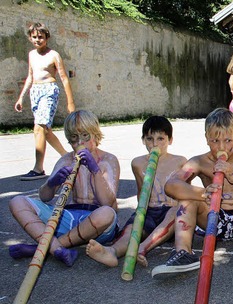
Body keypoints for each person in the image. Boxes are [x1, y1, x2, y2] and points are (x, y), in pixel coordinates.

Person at [151, 108, 233, 279]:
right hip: (213, 221)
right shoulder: (199, 161)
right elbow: (171, 185)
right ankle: (183, 253)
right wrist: (202, 193)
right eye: (215, 140)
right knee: (186, 199)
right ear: (207, 138)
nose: (221, 147)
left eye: (228, 140)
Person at [8, 110, 119, 267]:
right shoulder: (66, 159)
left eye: (85, 136)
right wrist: (52, 182)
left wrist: (95, 171)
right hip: (70, 218)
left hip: (99, 226)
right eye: (74, 138)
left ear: (95, 134)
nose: (80, 142)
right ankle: (56, 248)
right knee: (17, 202)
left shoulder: (108, 160)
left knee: (106, 213)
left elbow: (108, 203)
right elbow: (45, 197)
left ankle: (43, 248)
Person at [86, 116, 187, 267]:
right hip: (149, 210)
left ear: (170, 140)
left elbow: (185, 194)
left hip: (170, 213)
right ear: (143, 140)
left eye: (161, 139)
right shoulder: (138, 163)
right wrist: (140, 216)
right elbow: (141, 193)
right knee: (132, 230)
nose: (155, 144)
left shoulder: (180, 162)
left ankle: (141, 248)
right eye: (149, 139)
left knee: (176, 211)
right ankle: (112, 252)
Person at [14, 22, 75, 181]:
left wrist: (70, 102)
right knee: (44, 130)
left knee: (39, 127)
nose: (37, 40)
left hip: (49, 90)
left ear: (47, 38)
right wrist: (21, 96)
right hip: (35, 91)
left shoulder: (53, 55)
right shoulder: (31, 55)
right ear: (30, 38)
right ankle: (68, 157)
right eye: (34, 37)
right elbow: (30, 76)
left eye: (40, 37)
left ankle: (38, 168)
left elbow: (64, 78)